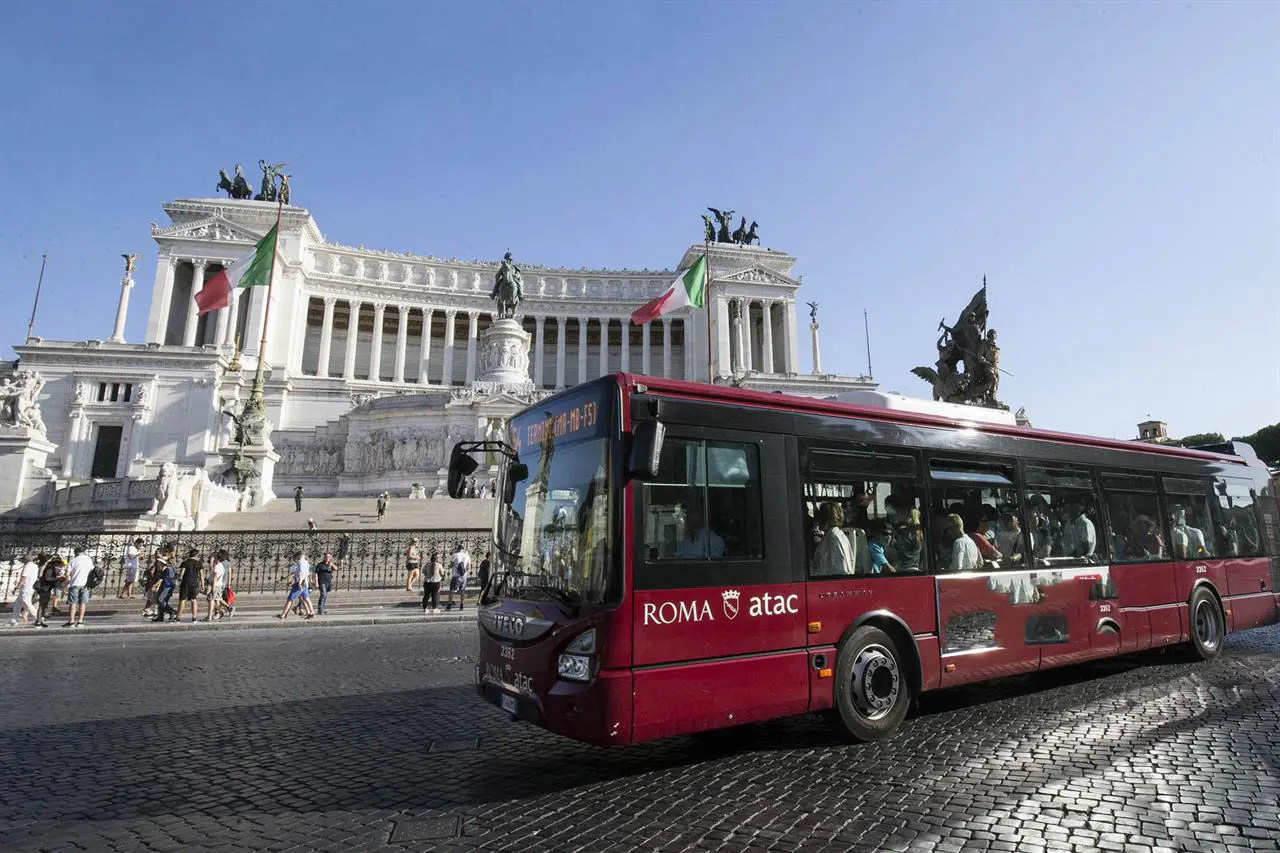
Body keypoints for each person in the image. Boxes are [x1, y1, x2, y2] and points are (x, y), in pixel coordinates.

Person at [811, 502, 853, 575]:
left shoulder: (835, 538)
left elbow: (842, 569)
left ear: (826, 520)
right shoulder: (828, 535)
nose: (817, 521)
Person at [277, 550, 315, 620]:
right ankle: (311, 612)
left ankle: (283, 615)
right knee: (306, 598)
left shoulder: (301, 562)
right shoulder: (306, 563)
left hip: (299, 584)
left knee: (290, 599)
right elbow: (306, 573)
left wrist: (300, 582)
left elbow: (301, 573)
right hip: (305, 583)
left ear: (298, 556)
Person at [63, 546, 94, 628]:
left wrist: (66, 583)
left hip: (74, 584)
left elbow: (67, 574)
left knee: (73, 603)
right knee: (83, 603)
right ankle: (80, 621)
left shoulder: (73, 560)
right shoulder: (89, 560)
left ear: (75, 553)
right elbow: (92, 570)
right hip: (85, 584)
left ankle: (71, 621)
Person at [9, 553, 39, 626]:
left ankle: (37, 618)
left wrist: (17, 587)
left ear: (25, 560)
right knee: (17, 604)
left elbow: (23, 578)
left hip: (26, 587)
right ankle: (14, 619)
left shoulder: (27, 566)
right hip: (30, 586)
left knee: (27, 603)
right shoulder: (35, 566)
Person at [151, 545, 179, 623]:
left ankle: (171, 611)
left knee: (160, 600)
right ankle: (161, 616)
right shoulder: (164, 561)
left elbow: (171, 571)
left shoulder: (169, 561)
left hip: (168, 584)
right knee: (162, 600)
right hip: (165, 583)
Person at [34, 554, 63, 628]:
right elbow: (47, 578)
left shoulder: (50, 568)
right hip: (45, 588)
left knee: (44, 605)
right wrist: (57, 578)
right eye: (58, 563)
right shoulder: (50, 568)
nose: (59, 564)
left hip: (47, 588)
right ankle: (38, 621)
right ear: (55, 563)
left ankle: (40, 620)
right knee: (42, 605)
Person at [175, 548, 203, 624]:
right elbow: (201, 575)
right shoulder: (198, 563)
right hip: (194, 583)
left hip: (185, 582)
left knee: (182, 600)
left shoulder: (185, 563)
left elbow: (181, 574)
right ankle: (194, 618)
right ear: (196, 555)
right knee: (193, 600)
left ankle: (178, 618)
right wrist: (202, 585)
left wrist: (179, 579)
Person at [205, 548, 232, 621]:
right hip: (222, 583)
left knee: (214, 599)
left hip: (217, 584)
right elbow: (230, 573)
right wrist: (229, 583)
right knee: (217, 598)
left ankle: (219, 612)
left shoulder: (219, 565)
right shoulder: (226, 563)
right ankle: (225, 609)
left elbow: (214, 576)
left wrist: (211, 562)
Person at [444, 543, 471, 612]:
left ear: (457, 549)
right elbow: (468, 567)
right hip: (464, 576)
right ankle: (462, 605)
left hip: (456, 575)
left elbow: (451, 564)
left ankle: (449, 606)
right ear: (463, 549)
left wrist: (449, 566)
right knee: (462, 591)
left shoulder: (455, 555)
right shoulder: (467, 556)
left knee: (452, 591)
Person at [314, 551, 335, 616]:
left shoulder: (330, 564)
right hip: (322, 581)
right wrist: (316, 582)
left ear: (330, 557)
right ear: (324, 557)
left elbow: (336, 569)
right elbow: (316, 574)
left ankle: (322, 608)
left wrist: (332, 564)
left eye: (328, 557)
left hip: (328, 582)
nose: (327, 558)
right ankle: (320, 608)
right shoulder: (320, 564)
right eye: (326, 556)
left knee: (326, 596)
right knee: (323, 594)